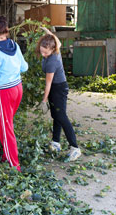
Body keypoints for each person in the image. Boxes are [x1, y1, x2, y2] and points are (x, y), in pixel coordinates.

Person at [0, 16, 28, 171]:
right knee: (7, 123)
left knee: (5, 126)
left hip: (5, 92)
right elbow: (24, 67)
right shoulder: (14, 45)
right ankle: (6, 155)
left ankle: (14, 164)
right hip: (18, 88)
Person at [37, 27, 81, 161]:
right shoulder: (55, 48)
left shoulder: (52, 61)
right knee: (55, 114)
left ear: (52, 50)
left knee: (61, 116)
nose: (43, 54)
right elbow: (56, 41)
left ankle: (75, 147)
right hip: (56, 87)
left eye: (45, 52)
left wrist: (44, 100)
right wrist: (47, 32)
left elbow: (48, 83)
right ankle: (55, 142)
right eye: (41, 51)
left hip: (59, 88)